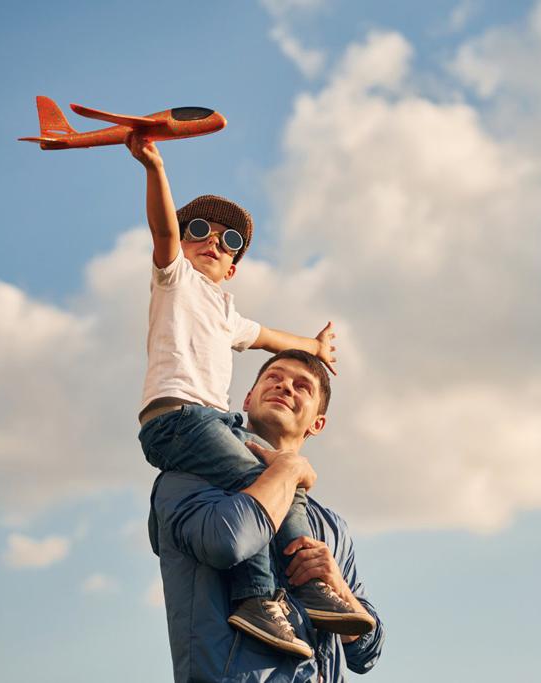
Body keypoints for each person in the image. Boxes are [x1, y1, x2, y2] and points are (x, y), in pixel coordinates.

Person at [127, 132, 372, 657]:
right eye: (200, 232)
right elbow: (162, 229)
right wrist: (154, 167)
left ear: (233, 268)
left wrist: (314, 346)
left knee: (281, 487)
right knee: (266, 479)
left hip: (207, 424)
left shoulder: (226, 313)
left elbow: (270, 338)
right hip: (180, 419)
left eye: (227, 241)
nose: (212, 242)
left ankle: (319, 592)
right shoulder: (176, 282)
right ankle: (259, 597)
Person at [146, 350, 386, 682]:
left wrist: (337, 586)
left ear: (317, 423)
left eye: (302, 386)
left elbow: (366, 653)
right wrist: (288, 470)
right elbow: (228, 541)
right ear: (248, 398)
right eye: (273, 376)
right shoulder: (186, 480)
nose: (285, 386)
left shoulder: (329, 526)